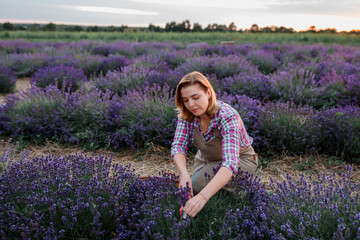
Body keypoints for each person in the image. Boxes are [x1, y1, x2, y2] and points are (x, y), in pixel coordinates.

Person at [171, 71, 258, 218]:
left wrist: (202, 198)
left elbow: (230, 162)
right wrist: (184, 173)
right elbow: (178, 145)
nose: (191, 105)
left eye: (196, 97)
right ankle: (223, 189)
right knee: (189, 186)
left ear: (208, 92)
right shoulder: (187, 114)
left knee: (198, 188)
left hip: (241, 160)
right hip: (206, 159)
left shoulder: (227, 116)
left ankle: (240, 195)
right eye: (185, 100)